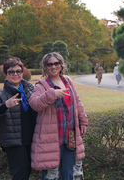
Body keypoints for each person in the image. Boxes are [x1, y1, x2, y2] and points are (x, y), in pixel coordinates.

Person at [29, 52, 88, 180]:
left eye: (56, 63)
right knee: (52, 175)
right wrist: (52, 94)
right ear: (45, 67)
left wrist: (83, 122)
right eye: (49, 64)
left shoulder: (67, 81)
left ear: (61, 65)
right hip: (52, 137)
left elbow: (77, 102)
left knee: (72, 173)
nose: (53, 66)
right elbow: (34, 104)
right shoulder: (41, 85)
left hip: (71, 135)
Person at [0, 58, 37, 180]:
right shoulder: (1, 94)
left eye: (18, 71)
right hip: (14, 141)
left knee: (27, 171)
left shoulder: (30, 89)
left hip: (31, 139)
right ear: (6, 74)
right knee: (20, 173)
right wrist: (5, 106)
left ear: (22, 72)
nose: (15, 74)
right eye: (11, 72)